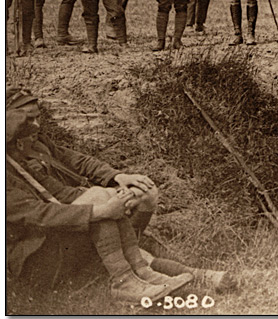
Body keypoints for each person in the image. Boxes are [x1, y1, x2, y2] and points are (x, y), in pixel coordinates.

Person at [5, 87, 202, 302]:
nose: (36, 125)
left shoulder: (34, 142)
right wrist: (97, 211)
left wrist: (117, 176)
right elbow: (38, 214)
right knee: (101, 200)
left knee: (143, 193)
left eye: (37, 118)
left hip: (65, 226)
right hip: (36, 256)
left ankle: (141, 270)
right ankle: (124, 280)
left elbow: (77, 160)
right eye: (28, 120)